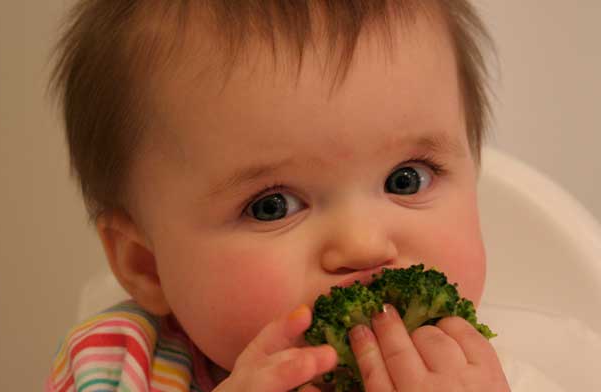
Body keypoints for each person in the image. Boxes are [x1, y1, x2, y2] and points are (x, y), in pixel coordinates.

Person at [46, 1, 509, 391]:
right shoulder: (116, 367)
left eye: (406, 179)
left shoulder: (495, 366)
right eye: (273, 206)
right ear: (146, 264)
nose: (363, 245)